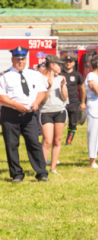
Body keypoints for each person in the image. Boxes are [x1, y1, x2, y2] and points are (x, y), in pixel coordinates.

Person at [0, 47, 49, 183]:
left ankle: (41, 173)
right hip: (10, 113)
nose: (20, 62)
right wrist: (16, 106)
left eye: (23, 59)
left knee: (34, 142)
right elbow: (1, 97)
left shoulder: (34, 74)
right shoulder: (4, 75)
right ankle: (17, 174)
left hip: (29, 114)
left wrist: (37, 102)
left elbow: (41, 91)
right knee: (12, 144)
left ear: (26, 59)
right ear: (12, 59)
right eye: (17, 59)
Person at [38, 55, 68, 174]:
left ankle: (53, 168)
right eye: (58, 64)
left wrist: (62, 86)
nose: (61, 66)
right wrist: (49, 87)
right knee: (47, 141)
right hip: (45, 112)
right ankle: (42, 168)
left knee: (57, 140)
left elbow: (65, 98)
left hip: (60, 111)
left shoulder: (61, 78)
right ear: (51, 65)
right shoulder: (41, 79)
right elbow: (43, 101)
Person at [62, 55, 86, 146]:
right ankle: (57, 139)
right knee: (61, 123)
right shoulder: (60, 74)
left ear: (73, 63)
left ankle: (69, 140)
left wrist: (83, 102)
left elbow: (82, 89)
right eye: (66, 61)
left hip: (74, 102)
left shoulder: (77, 75)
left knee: (73, 124)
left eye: (70, 61)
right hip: (62, 103)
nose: (68, 63)